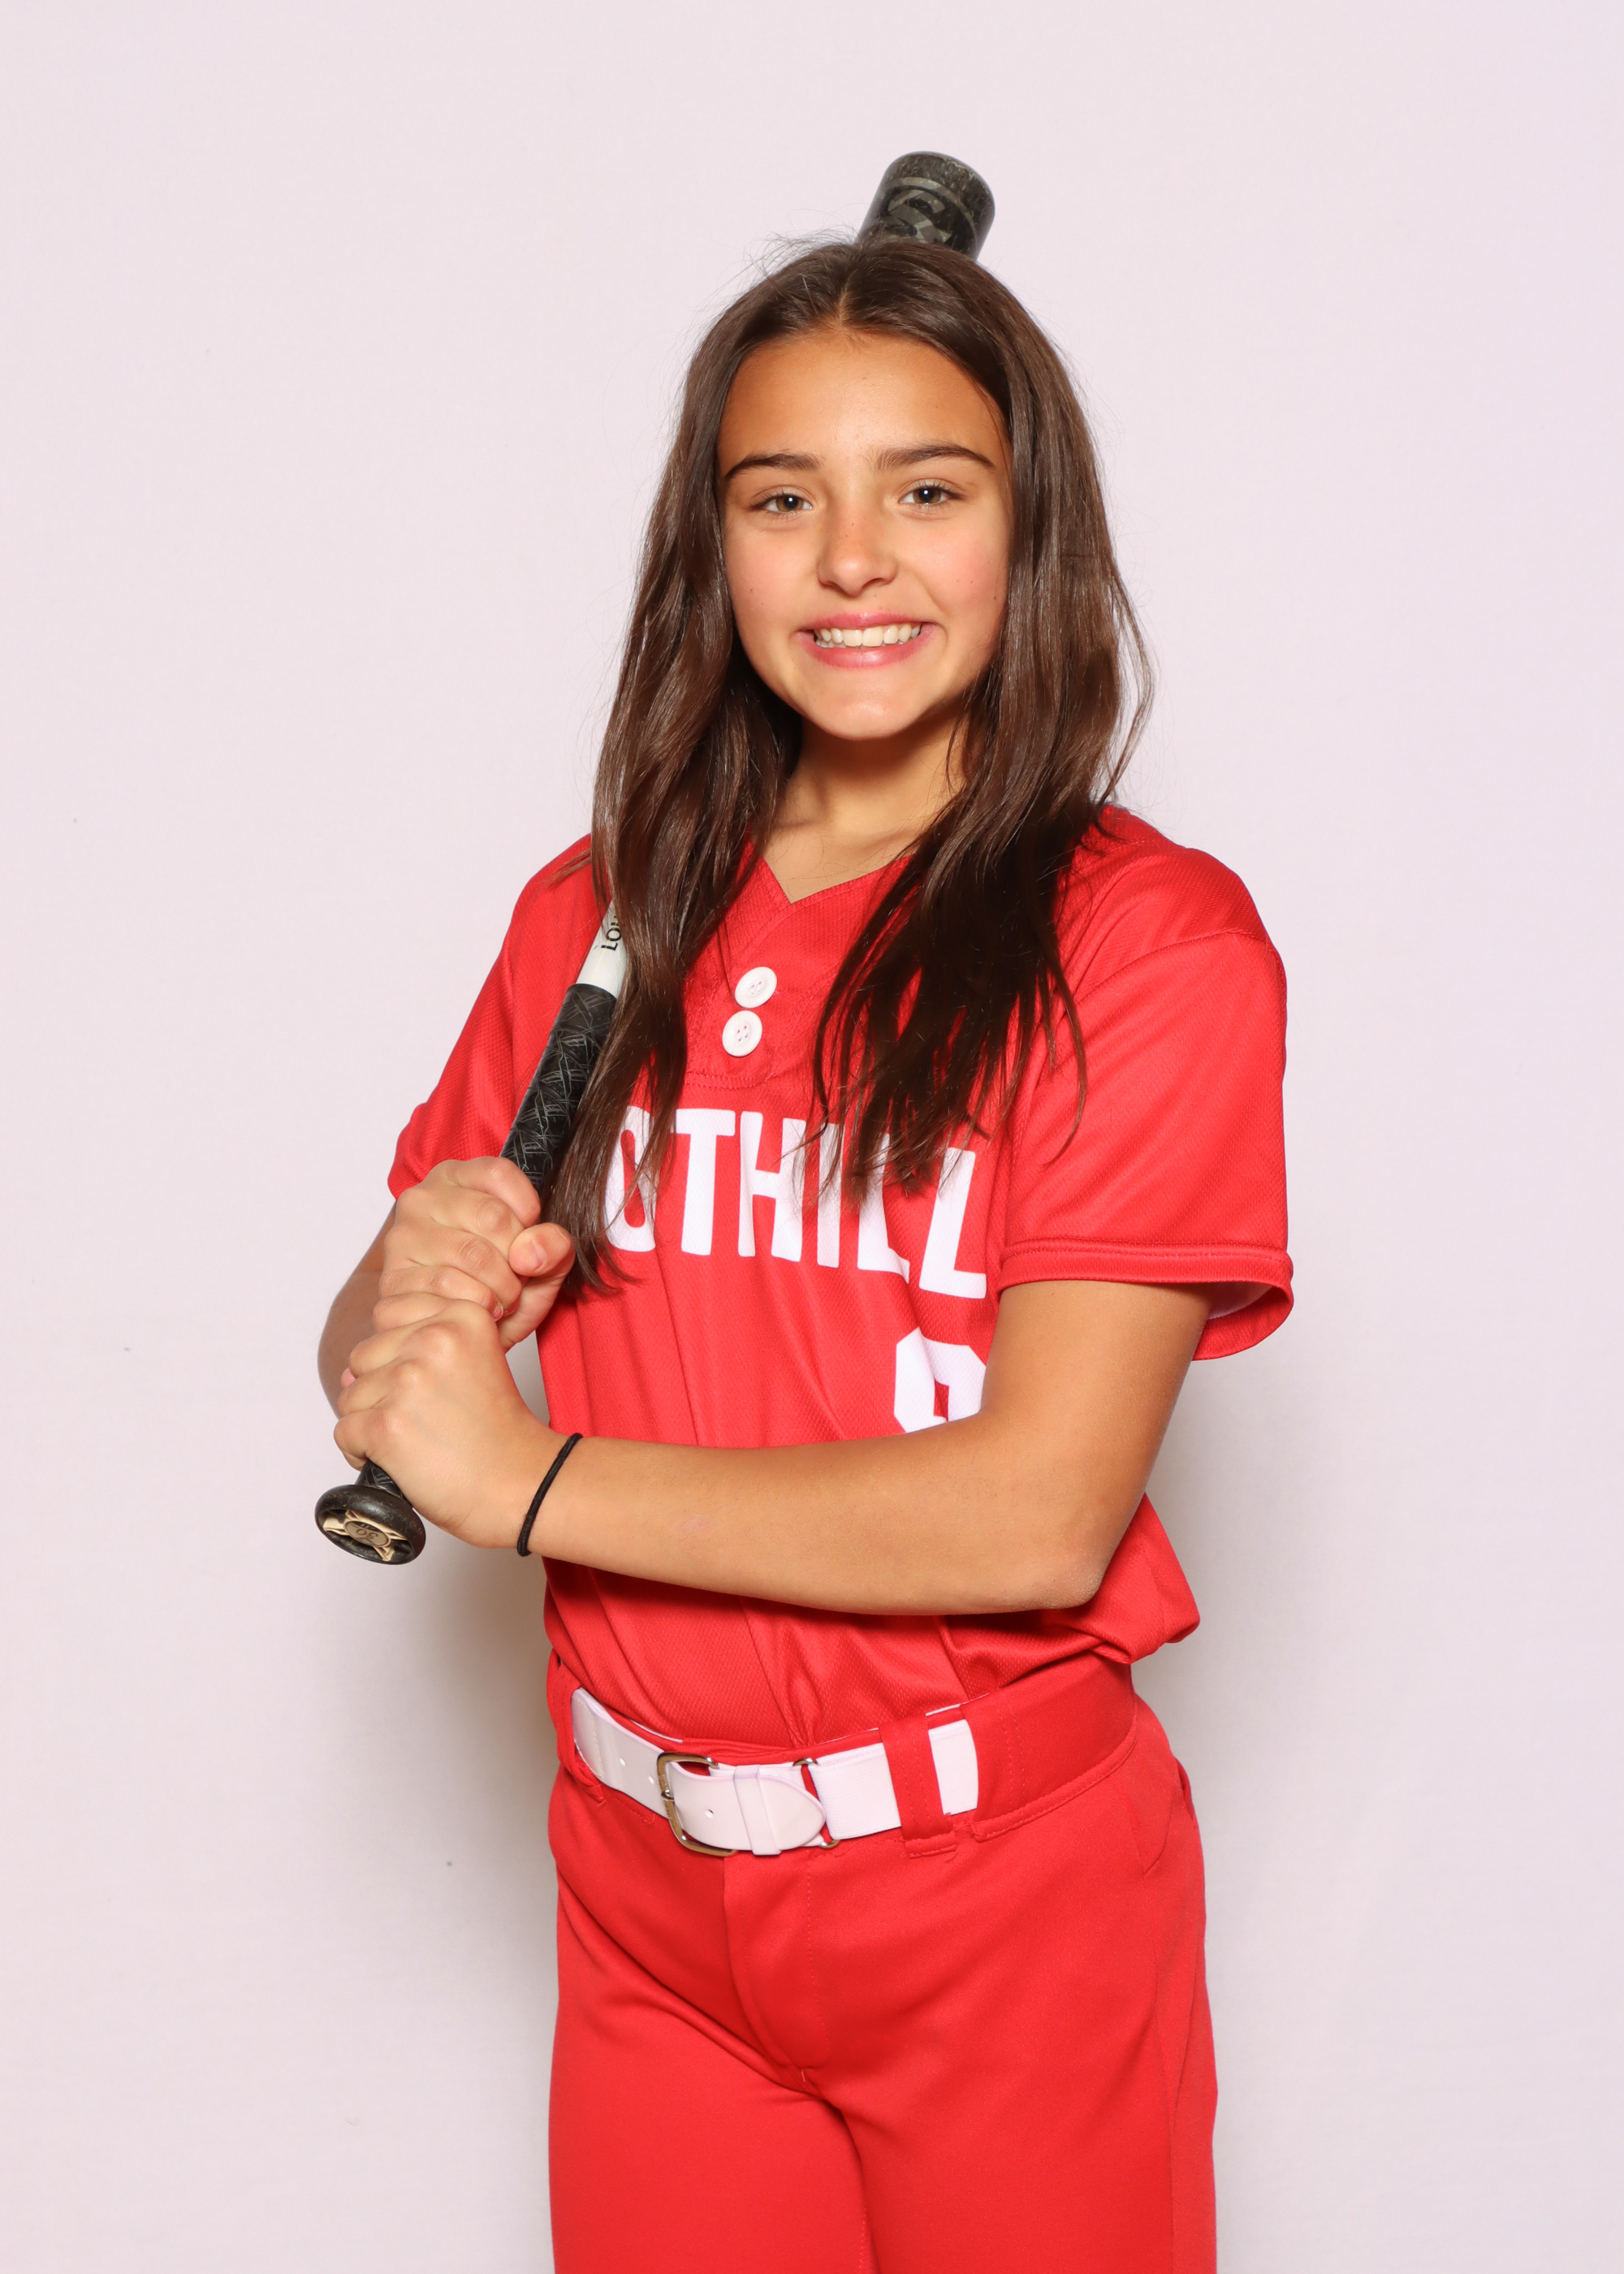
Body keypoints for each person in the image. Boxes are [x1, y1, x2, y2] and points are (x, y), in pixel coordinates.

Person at [320, 235, 1289, 2273]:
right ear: (715, 547)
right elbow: (392, 1358)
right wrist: (414, 1279)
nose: (853, 556)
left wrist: (530, 1479)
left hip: (993, 1892)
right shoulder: (600, 910)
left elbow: (1039, 1509)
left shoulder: (1143, 940)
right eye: (783, 496)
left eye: (926, 487)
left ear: (1031, 531)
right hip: (644, 1896)